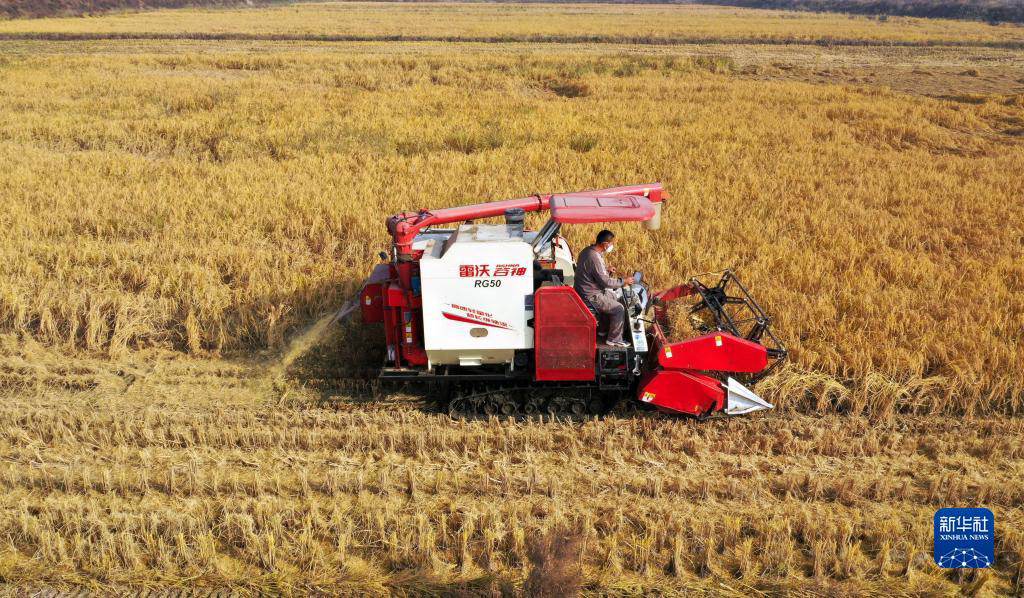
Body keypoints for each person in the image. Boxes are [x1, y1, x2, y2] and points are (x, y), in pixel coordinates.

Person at [573, 230, 634, 347]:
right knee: (619, 308)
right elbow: (606, 282)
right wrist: (623, 281)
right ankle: (614, 339)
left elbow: (593, 273)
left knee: (612, 296)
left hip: (585, 290)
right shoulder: (594, 257)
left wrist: (606, 270)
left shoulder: (587, 251)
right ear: (605, 244)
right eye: (611, 243)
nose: (611, 246)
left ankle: (603, 330)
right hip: (590, 296)